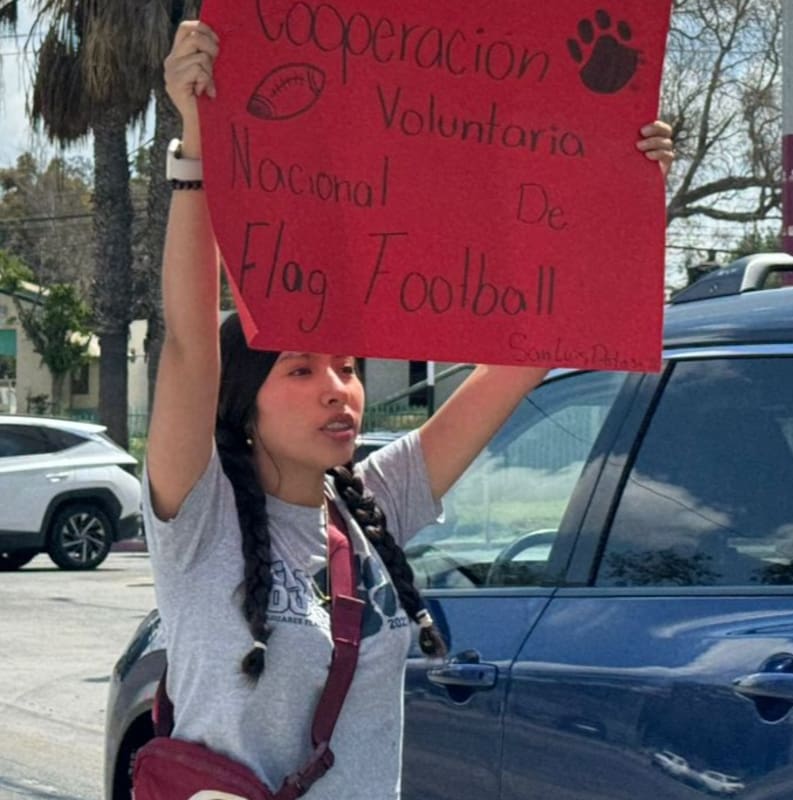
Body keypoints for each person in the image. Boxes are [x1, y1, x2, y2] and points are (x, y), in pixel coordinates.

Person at [143, 18, 673, 800]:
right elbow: (190, 343)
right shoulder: (198, 522)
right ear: (242, 403)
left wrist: (617, 179)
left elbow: (524, 358)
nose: (338, 389)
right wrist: (195, 142)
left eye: (349, 369)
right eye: (300, 370)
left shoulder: (373, 507)